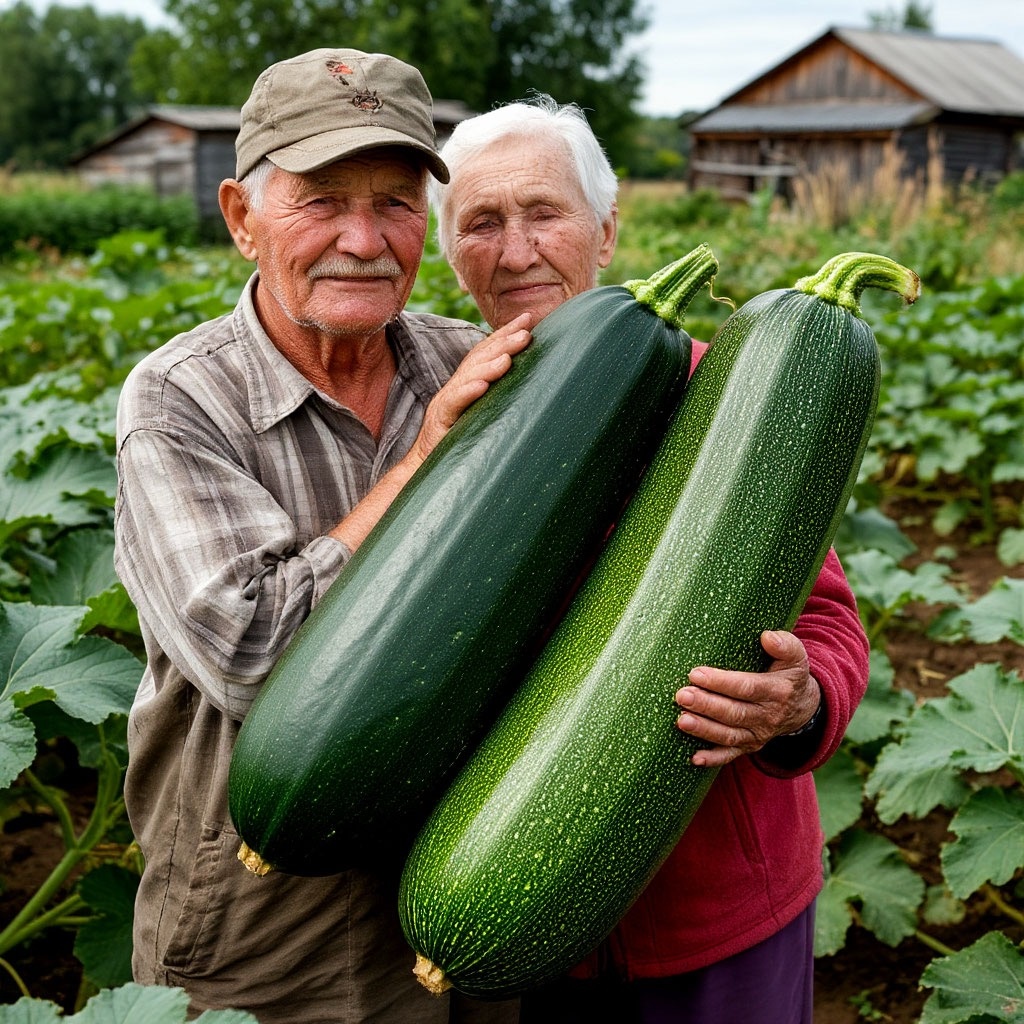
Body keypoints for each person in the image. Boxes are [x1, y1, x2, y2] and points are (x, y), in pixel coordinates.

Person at [430, 94, 870, 1024]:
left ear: (607, 227)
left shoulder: (740, 398)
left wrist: (802, 701)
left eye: (545, 213)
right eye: (482, 223)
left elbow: (829, 619)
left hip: (723, 921)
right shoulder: (443, 414)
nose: (516, 251)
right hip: (518, 910)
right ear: (450, 251)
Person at [113, 48, 531, 1024]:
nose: (363, 237)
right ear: (240, 218)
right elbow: (255, 658)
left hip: (475, 869)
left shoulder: (471, 359)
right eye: (320, 200)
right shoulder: (180, 400)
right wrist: (429, 459)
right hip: (263, 918)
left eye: (394, 202)